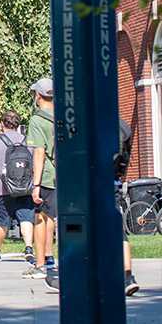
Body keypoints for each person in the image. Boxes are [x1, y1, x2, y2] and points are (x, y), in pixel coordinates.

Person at [45, 119, 140, 296]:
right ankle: (127, 277)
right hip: (112, 184)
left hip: (86, 185)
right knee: (118, 232)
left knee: (77, 229)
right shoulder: (123, 127)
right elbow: (123, 161)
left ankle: (73, 276)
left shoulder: (84, 124)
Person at [0, 111, 35, 263]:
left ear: (2, 124)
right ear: (17, 124)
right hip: (25, 187)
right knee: (26, 217)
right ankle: (29, 248)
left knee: (2, 220)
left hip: (2, 188)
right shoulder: (28, 141)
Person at [23, 78, 57, 280]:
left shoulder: (37, 120)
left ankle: (40, 263)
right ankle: (50, 255)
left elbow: (39, 153)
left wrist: (35, 184)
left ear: (38, 96)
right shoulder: (63, 116)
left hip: (46, 176)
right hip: (62, 175)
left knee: (39, 218)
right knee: (51, 216)